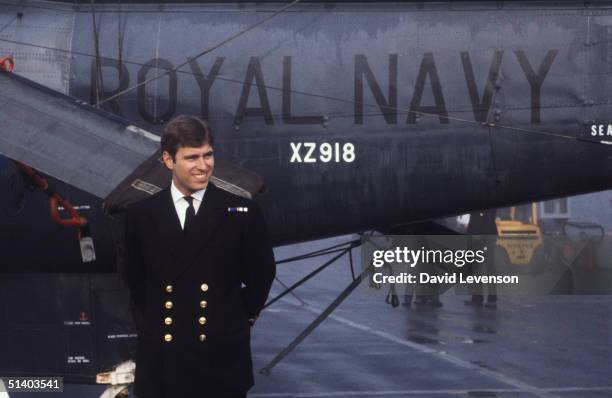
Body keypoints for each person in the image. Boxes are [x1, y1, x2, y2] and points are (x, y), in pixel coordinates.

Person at [121, 115, 276, 398]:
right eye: (192, 158)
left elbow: (262, 274)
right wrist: (155, 324)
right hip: (163, 359)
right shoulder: (140, 215)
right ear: (168, 161)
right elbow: (135, 280)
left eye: (208, 155)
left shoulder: (242, 213)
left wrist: (238, 317)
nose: (203, 166)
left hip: (219, 356)